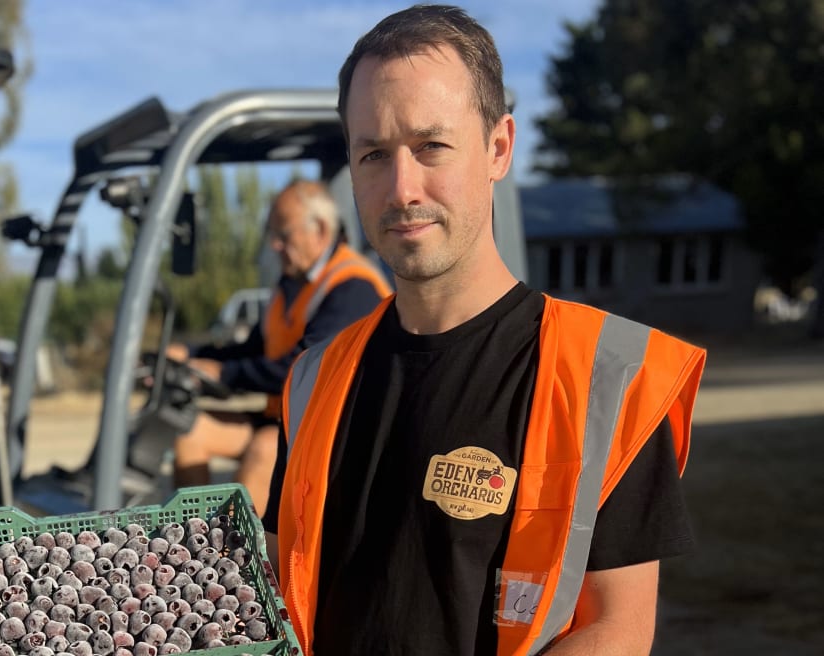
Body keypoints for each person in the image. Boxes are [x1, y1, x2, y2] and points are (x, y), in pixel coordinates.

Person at [262, 5, 707, 656]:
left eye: (430, 146)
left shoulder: (605, 378)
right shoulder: (313, 381)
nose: (401, 187)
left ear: (498, 148)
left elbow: (617, 628)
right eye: (373, 155)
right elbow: (279, 587)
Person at [170, 179, 391, 516]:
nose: (274, 245)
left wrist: (225, 374)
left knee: (265, 448)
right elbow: (253, 350)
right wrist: (194, 357)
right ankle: (195, 541)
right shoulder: (291, 285)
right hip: (285, 420)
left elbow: (302, 370)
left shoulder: (353, 287)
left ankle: (234, 559)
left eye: (283, 235)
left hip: (333, 435)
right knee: (190, 431)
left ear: (319, 229)